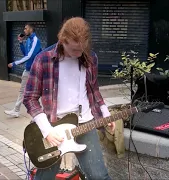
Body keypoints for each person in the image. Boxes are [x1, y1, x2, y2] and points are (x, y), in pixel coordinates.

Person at [23, 17, 114, 180]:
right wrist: (47, 130)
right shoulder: (43, 59)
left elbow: (94, 90)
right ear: (62, 40)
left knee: (100, 176)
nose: (79, 54)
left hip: (85, 123)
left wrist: (105, 113)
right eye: (73, 50)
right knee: (45, 177)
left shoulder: (90, 57)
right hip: (54, 126)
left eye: (82, 49)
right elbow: (29, 98)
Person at [4, 23, 42, 118]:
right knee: (22, 90)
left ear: (31, 29)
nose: (24, 30)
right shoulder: (28, 40)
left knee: (36, 93)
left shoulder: (35, 40)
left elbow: (30, 56)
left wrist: (14, 63)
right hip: (28, 69)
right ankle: (16, 110)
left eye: (26, 28)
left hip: (35, 71)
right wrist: (21, 42)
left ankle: (40, 114)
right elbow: (26, 53)